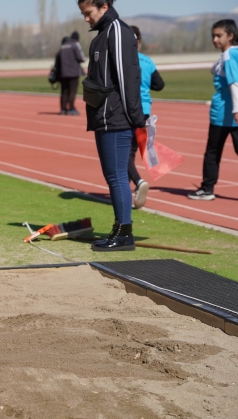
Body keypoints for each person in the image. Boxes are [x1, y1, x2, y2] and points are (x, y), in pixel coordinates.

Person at [78, 0, 146, 251]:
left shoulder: (117, 30)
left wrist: (136, 118)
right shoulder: (103, 34)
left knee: (117, 177)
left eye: (88, 13)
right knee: (112, 176)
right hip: (103, 117)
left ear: (103, 6)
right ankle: (119, 229)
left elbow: (128, 78)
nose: (86, 19)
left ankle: (124, 233)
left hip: (117, 118)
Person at [188, 19, 238, 201]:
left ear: (230, 36)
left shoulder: (228, 56)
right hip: (228, 110)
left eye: (219, 35)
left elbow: (234, 83)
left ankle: (207, 189)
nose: (215, 39)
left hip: (225, 112)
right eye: (213, 36)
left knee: (212, 151)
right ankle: (207, 188)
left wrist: (236, 110)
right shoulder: (232, 54)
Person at [128, 25, 165, 209]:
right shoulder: (147, 61)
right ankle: (126, 191)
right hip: (145, 111)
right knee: (132, 150)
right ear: (139, 42)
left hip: (127, 110)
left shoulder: (124, 59)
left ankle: (138, 182)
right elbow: (160, 84)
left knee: (122, 153)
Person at [57, 31, 86, 115]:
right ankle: (71, 108)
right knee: (72, 91)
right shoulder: (75, 44)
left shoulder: (63, 46)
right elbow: (81, 58)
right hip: (73, 72)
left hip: (63, 72)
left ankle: (63, 109)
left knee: (64, 91)